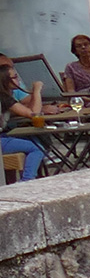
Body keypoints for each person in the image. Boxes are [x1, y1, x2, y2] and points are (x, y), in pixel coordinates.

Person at [1, 53, 45, 182]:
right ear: (5, 80)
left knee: (35, 139)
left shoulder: (5, 96)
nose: (18, 81)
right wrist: (37, 90)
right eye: (14, 78)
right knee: (36, 149)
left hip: (4, 136)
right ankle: (27, 181)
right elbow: (33, 114)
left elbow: (26, 109)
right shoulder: (4, 98)